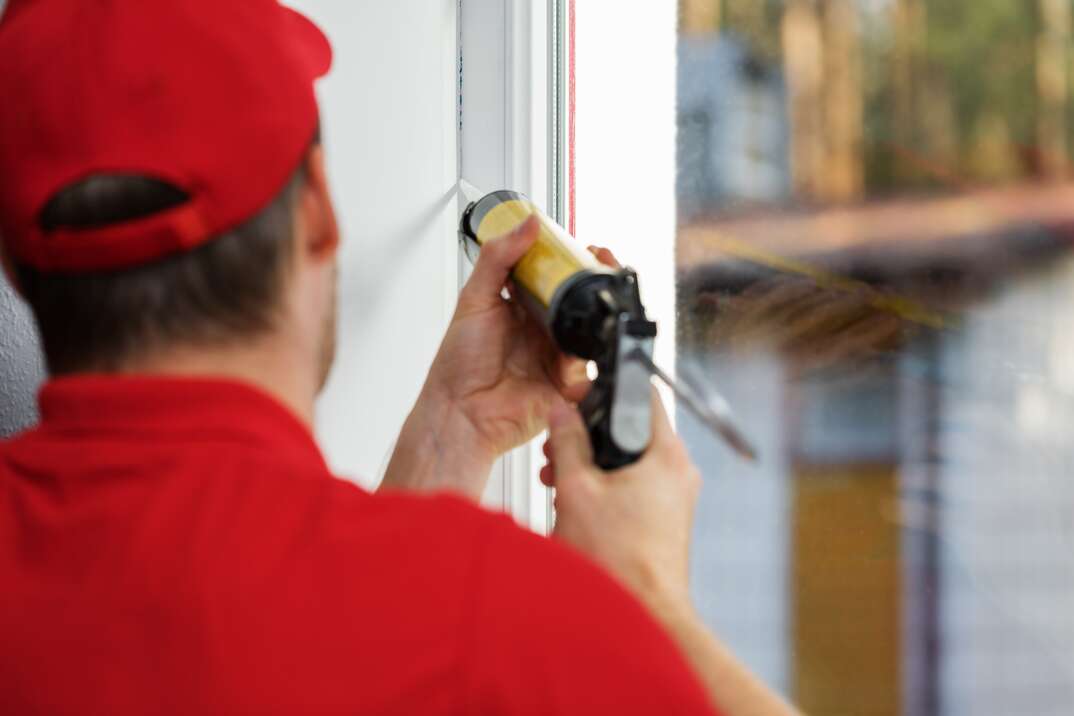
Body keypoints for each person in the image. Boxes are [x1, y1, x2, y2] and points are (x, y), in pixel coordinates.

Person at [0, 1, 795, 714]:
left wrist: (451, 434)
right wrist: (649, 605)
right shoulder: (504, 631)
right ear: (317, 213)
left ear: (13, 262)